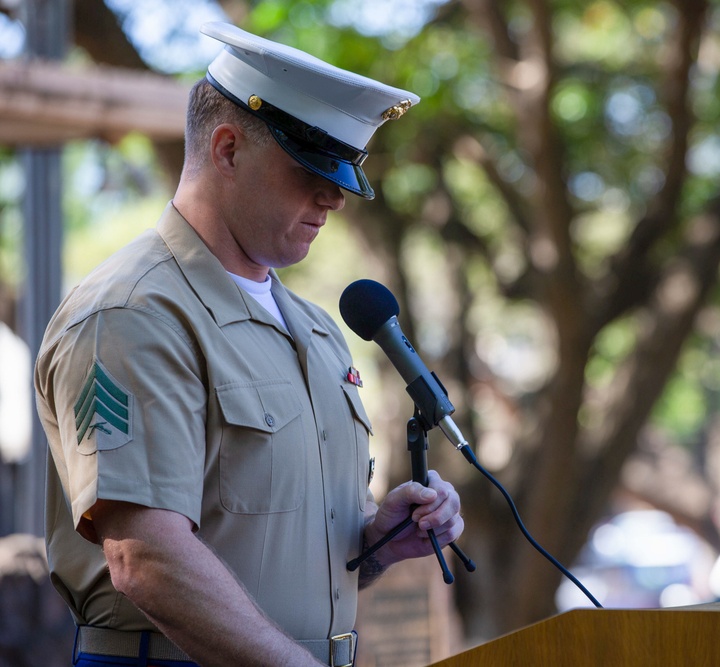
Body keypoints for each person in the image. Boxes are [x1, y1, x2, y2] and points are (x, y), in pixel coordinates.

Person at [34, 22, 463, 667]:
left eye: (343, 179)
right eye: (309, 172)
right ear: (228, 150)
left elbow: (285, 558)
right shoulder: (132, 313)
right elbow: (145, 559)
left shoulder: (318, 332)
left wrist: (377, 540)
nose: (333, 201)